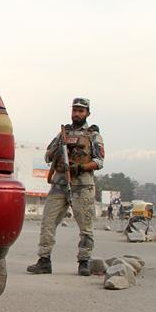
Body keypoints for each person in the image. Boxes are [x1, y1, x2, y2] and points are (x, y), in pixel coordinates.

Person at [27, 97, 105, 276]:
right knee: (48, 222)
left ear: (87, 113)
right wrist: (58, 148)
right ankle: (44, 260)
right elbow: (47, 156)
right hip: (59, 184)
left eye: (81, 111)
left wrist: (81, 167)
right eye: (74, 110)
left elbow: (99, 161)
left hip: (82, 185)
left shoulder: (93, 135)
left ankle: (84, 261)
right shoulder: (62, 133)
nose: (77, 113)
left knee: (85, 225)